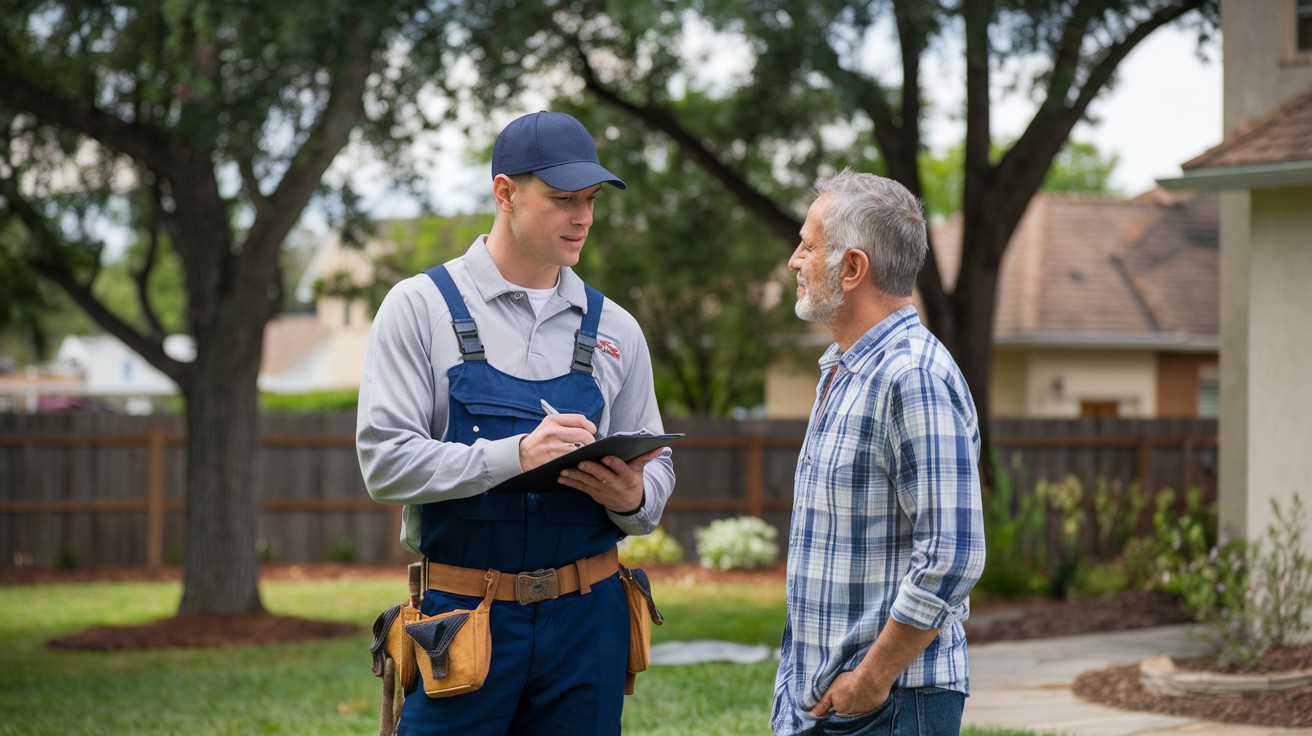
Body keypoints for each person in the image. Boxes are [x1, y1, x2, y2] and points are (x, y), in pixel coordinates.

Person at [356, 110, 675, 735]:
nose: (582, 217)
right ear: (504, 193)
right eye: (562, 200)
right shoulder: (419, 308)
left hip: (590, 619)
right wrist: (516, 456)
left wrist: (635, 497)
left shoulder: (617, 329)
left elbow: (657, 472)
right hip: (462, 622)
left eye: (590, 200)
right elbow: (384, 463)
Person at [771, 169, 986, 735]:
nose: (795, 259)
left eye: (809, 245)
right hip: (839, 705)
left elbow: (953, 554)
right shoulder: (845, 371)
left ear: (852, 268)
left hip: (890, 706)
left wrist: (872, 678)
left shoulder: (910, 375)